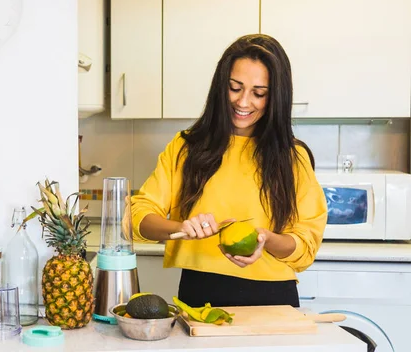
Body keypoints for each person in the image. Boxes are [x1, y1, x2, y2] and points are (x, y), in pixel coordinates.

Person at [130, 34, 328, 308]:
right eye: (235, 88)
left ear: (276, 98)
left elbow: (306, 243)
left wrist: (267, 240)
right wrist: (181, 228)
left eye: (259, 93)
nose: (243, 102)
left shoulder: (292, 157)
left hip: (273, 300)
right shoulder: (187, 147)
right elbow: (136, 215)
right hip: (199, 294)